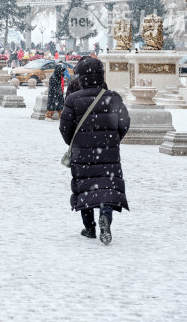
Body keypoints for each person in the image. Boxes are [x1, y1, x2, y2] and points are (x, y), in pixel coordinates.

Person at [59, 57, 129, 245]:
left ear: (81, 78)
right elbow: (124, 123)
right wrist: (113, 140)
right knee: (106, 185)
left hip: (83, 152)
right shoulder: (113, 97)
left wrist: (75, 142)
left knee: (86, 186)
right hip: (108, 151)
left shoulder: (73, 100)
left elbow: (64, 128)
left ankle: (89, 227)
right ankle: (105, 216)